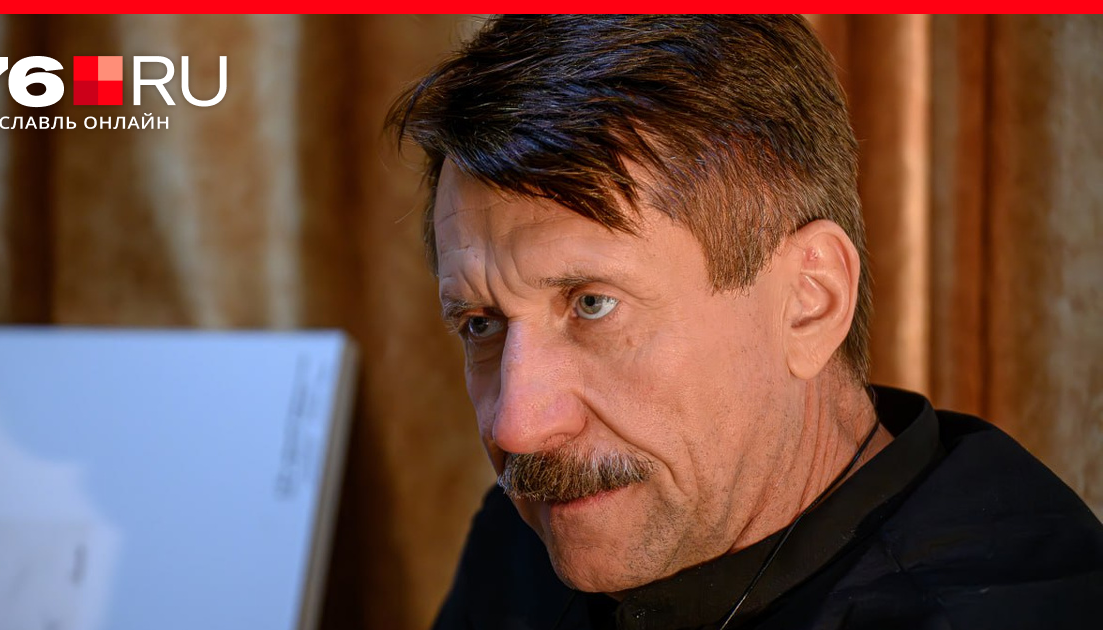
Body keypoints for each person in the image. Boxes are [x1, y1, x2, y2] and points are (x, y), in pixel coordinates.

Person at [387, 15, 1103, 630]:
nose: (517, 426)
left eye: (592, 304)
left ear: (811, 301)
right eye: (481, 323)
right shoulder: (540, 534)